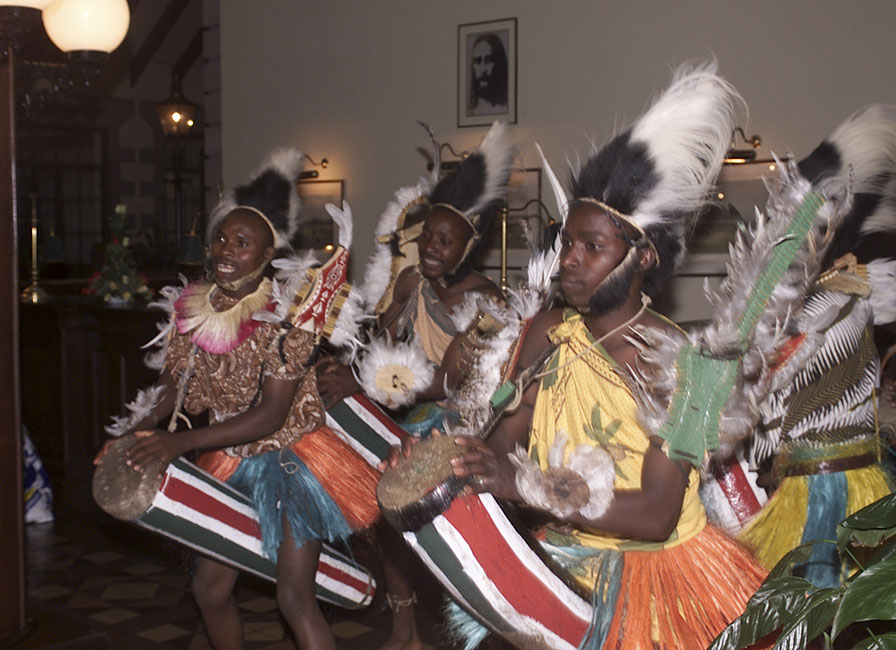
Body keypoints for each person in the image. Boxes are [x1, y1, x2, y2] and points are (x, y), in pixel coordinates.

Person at [386, 63, 768, 650]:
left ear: (642, 257)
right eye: (568, 242)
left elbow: (657, 514)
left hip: (657, 582)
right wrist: (447, 463)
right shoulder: (546, 331)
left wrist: (522, 486)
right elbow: (505, 439)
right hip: (564, 556)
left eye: (593, 247)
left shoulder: (688, 365)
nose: (569, 259)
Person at [97, 148, 379, 650]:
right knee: (209, 590)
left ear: (267, 255)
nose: (225, 249)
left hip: (293, 461)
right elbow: (172, 383)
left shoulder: (286, 321)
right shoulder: (192, 308)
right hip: (227, 455)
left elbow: (270, 415)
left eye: (242, 243)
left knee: (294, 600)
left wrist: (177, 445)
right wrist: (138, 428)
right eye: (222, 238)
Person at [317, 121, 515, 650]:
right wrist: (358, 373)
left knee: (447, 541)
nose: (429, 247)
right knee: (388, 530)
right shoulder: (410, 283)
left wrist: (363, 386)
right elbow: (378, 346)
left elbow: (445, 379)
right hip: (397, 415)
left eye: (443, 241)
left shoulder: (487, 300)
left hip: (452, 425)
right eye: (426, 235)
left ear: (468, 248)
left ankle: (468, 631)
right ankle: (403, 628)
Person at [721, 105, 896, 587]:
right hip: (822, 479)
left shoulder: (834, 298)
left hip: (828, 486)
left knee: (810, 602)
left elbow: (773, 369)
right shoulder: (831, 296)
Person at [467, 33, 508, 116]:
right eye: (478, 61)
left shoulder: (506, 107)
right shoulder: (471, 110)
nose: (483, 69)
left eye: (489, 60)